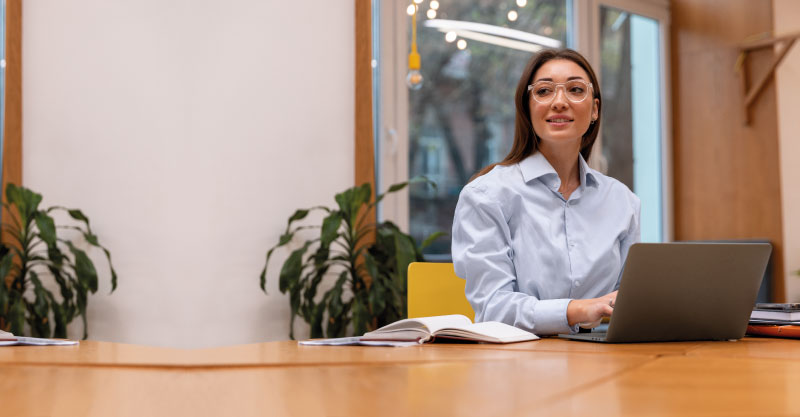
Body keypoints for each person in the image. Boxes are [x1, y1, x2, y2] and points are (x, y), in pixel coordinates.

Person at [451, 48, 640, 336]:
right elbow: (493, 308)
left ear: (595, 110)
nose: (560, 102)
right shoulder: (486, 196)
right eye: (544, 91)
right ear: (527, 107)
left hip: (604, 362)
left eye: (576, 89)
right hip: (518, 366)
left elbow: (630, 301)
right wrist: (576, 310)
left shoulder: (622, 201)